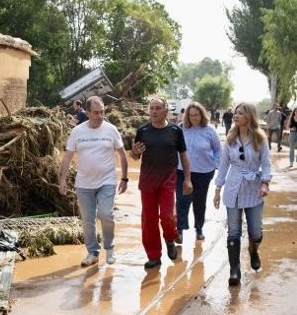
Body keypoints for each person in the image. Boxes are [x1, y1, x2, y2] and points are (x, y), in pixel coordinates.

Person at [59, 96, 129, 266]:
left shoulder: (111, 130)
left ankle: (110, 248)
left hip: (107, 181)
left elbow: (122, 155)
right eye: (96, 113)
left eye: (102, 112)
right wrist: (62, 179)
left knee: (106, 213)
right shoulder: (77, 132)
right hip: (84, 184)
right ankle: (92, 252)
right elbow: (68, 157)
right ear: (87, 113)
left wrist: (125, 178)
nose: (100, 116)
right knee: (88, 220)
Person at [130, 97, 193, 269]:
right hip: (147, 182)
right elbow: (135, 156)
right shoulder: (142, 131)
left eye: (158, 108)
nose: (154, 111)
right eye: (152, 108)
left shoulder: (175, 131)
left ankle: (170, 238)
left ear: (166, 110)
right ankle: (154, 256)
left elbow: (184, 157)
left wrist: (187, 179)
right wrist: (134, 152)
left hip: (168, 179)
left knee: (167, 215)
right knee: (148, 220)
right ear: (148, 111)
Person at [213, 103, 271, 286]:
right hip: (233, 188)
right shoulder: (230, 138)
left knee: (256, 232)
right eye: (235, 113)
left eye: (240, 113)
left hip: (254, 190)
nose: (236, 116)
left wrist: (265, 183)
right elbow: (223, 165)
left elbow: (267, 163)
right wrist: (217, 189)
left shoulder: (260, 139)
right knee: (234, 231)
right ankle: (234, 270)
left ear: (249, 116)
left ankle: (253, 250)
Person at [175, 102, 221, 243]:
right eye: (191, 115)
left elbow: (218, 150)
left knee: (199, 201)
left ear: (202, 115)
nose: (194, 118)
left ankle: (199, 228)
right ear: (187, 116)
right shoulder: (180, 129)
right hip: (182, 171)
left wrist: (216, 165)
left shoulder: (210, 131)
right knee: (182, 200)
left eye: (196, 114)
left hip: (203, 172)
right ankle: (180, 230)